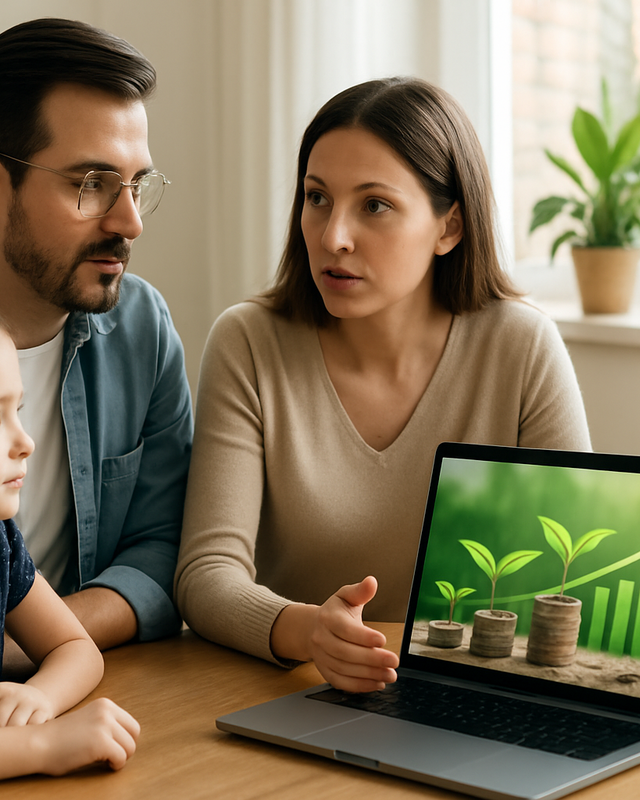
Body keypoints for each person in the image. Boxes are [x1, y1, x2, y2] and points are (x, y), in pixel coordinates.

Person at [174, 77, 591, 692]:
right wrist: (308, 631)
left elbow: (575, 574)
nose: (332, 236)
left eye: (374, 205)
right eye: (317, 198)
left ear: (449, 227)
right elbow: (206, 574)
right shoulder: (250, 342)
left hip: (473, 690)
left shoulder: (522, 346)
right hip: (297, 692)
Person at [0, 18, 193, 658]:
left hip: (74, 685)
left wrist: (32, 647)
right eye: (91, 184)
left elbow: (164, 546)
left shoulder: (142, 327)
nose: (130, 222)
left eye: (136, 185)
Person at [0, 290, 140, 789]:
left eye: (18, 409)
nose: (25, 442)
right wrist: (40, 745)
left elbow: (76, 648)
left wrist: (39, 697)